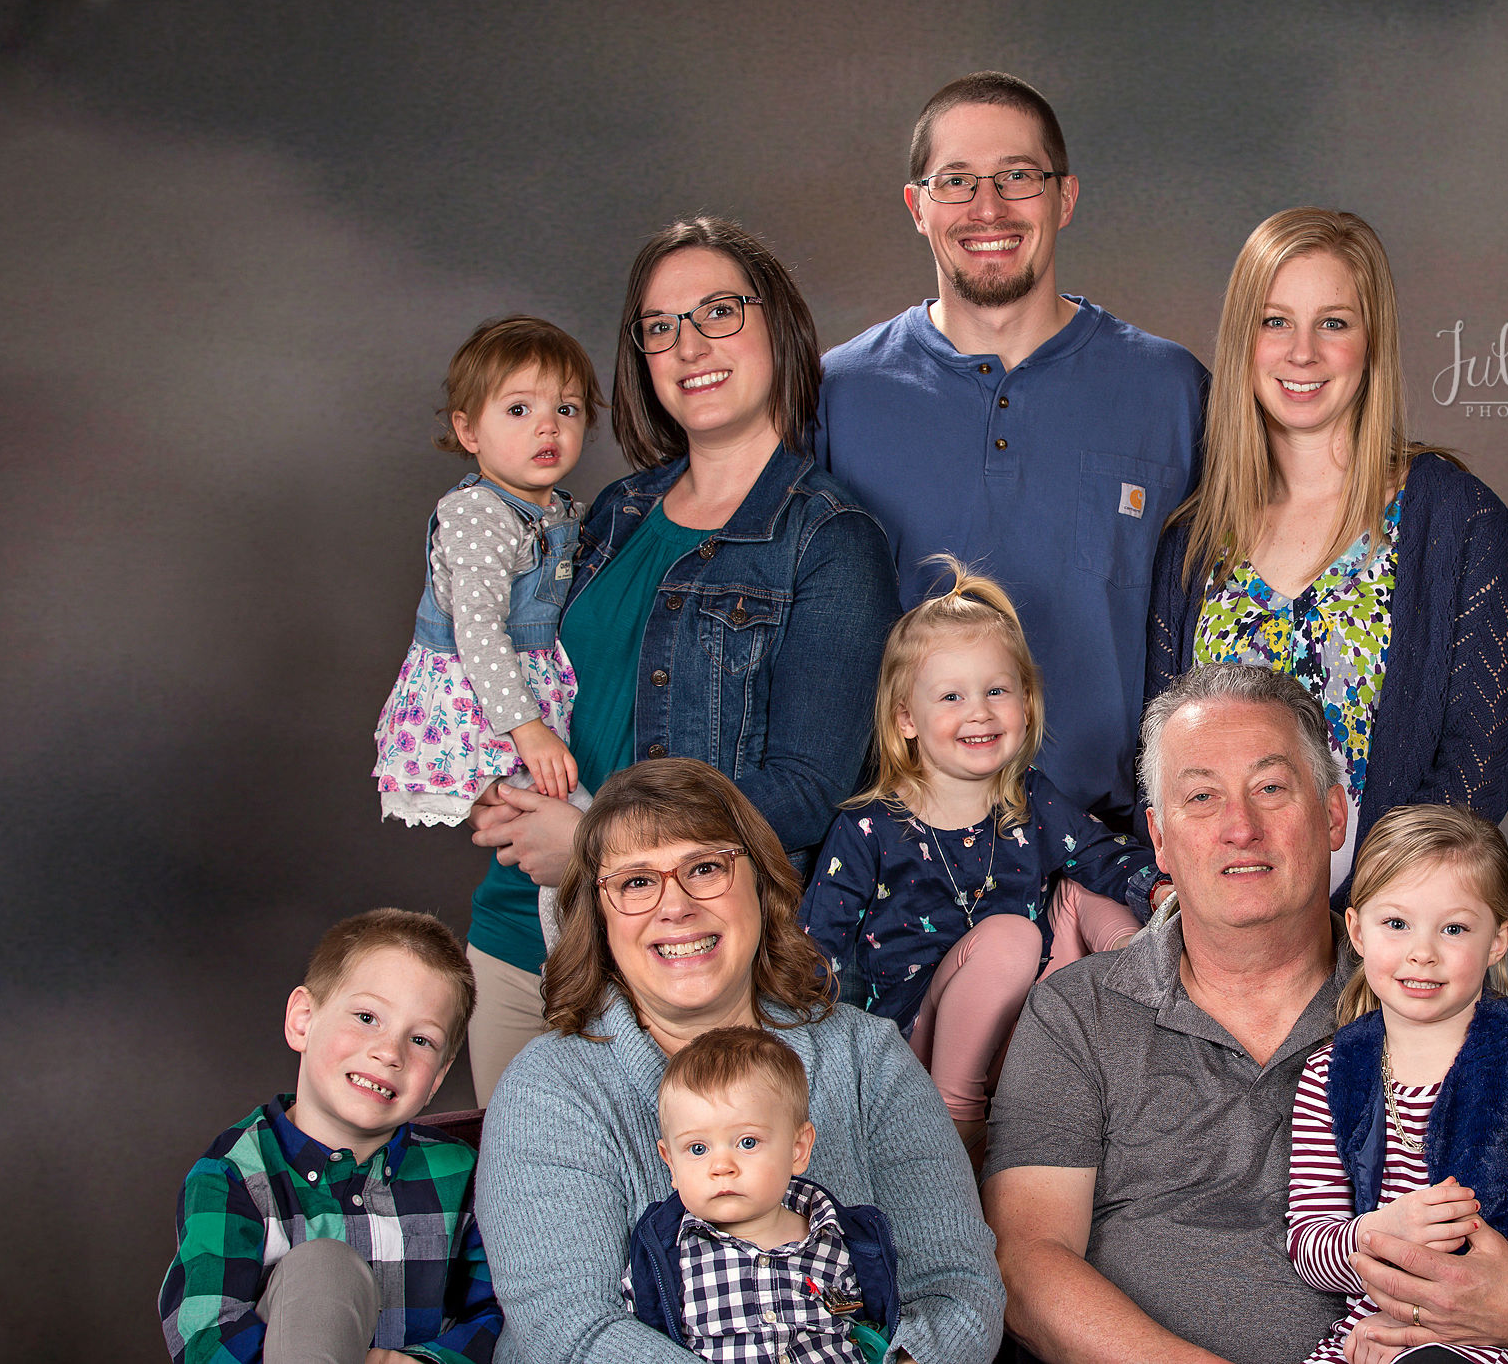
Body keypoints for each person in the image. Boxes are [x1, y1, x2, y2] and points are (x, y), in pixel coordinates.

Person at [983, 664, 1508, 1364]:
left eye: (1271, 788)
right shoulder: (1078, 1014)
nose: (1240, 828)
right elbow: (1027, 1265)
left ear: (1334, 814)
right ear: (1159, 837)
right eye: (1202, 796)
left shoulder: (1430, 999)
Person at [463, 218, 901, 1105]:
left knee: (681, 1196)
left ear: (778, 323)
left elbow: (810, 788)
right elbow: (538, 680)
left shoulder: (830, 540)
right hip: (518, 937)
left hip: (681, 960)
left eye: (718, 312)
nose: (689, 345)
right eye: (660, 326)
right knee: (519, 1196)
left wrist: (596, 843)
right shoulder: (613, 511)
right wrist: (484, 773)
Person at [476, 758, 1003, 1364]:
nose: (675, 907)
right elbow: (568, 1330)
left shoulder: (868, 1058)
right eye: (636, 882)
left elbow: (959, 1289)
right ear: (598, 917)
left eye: (705, 868)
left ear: (763, 885)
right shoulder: (550, 1088)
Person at [817, 71, 1207, 830]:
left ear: (1065, 197)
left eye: (1018, 176)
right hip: (897, 854)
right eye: (956, 180)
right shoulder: (838, 394)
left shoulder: (1171, 390)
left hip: (1117, 850)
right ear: (917, 206)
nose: (988, 207)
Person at [1147, 209, 1508, 903]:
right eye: (1275, 322)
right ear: (1242, 341)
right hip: (1225, 926)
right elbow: (1162, 760)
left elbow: (1482, 758)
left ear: (1371, 340)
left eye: (1333, 323)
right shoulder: (1195, 540)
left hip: (1387, 926)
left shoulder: (1456, 521)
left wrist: (1364, 915)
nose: (1303, 353)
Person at [800, 557, 1154, 1146]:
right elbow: (815, 953)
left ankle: (1150, 981)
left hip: (1026, 1030)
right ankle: (957, 1126)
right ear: (906, 718)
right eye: (951, 696)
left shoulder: (1030, 799)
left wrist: (1160, 889)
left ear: (1026, 702)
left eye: (996, 691)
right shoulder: (869, 828)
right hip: (919, 1045)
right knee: (1012, 935)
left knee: (1086, 885)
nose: (979, 712)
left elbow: (1103, 854)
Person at [1288, 805, 1508, 1364]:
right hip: (1373, 1331)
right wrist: (1380, 1233)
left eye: (1454, 928)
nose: (1422, 952)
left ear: (1497, 940)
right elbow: (1308, 1242)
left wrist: (1443, 1302)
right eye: (1396, 923)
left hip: (1489, 1333)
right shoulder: (1330, 1070)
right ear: (1356, 930)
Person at [158, 909, 500, 1364]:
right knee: (325, 1270)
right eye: (367, 1017)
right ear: (303, 1020)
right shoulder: (233, 1176)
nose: (389, 1052)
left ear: (437, 1077)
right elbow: (204, 1336)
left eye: (421, 1041)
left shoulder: (465, 1174)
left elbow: (501, 1315)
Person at [373, 315, 601, 826]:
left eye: (566, 409)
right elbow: (476, 630)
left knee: (569, 826)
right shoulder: (478, 513)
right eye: (519, 409)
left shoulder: (558, 509)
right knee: (582, 828)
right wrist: (528, 728)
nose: (548, 426)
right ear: (469, 430)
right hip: (484, 708)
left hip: (526, 696)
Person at [628, 1026, 899, 1364]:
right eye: (697, 1148)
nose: (721, 1166)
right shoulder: (666, 1253)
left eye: (747, 1142)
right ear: (671, 1163)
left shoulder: (844, 1240)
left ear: (798, 1149)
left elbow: (876, 1329)